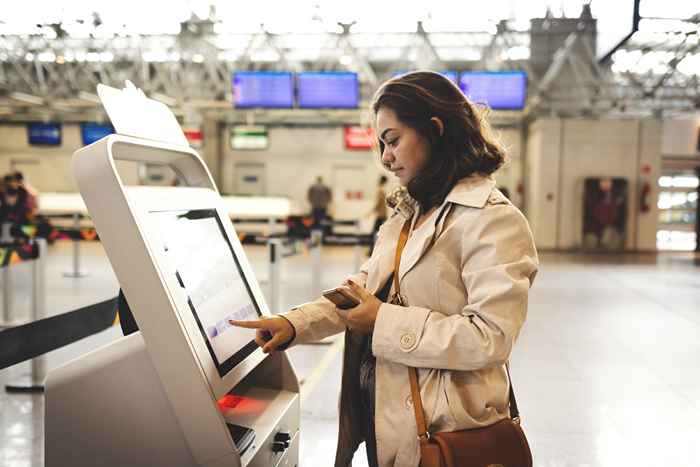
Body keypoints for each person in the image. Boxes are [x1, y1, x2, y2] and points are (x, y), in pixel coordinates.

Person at [231, 71, 538, 467]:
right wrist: (295, 324)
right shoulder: (408, 213)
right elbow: (366, 288)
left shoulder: (492, 220)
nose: (385, 157)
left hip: (446, 435)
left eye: (393, 140)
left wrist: (383, 321)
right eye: (381, 144)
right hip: (388, 423)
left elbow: (490, 337)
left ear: (435, 129)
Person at [367, 175, 389, 255]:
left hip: (381, 216)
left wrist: (369, 213)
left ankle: (371, 251)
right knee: (380, 233)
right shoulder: (382, 191)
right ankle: (373, 251)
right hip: (382, 215)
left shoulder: (380, 191)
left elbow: (378, 204)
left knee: (374, 233)